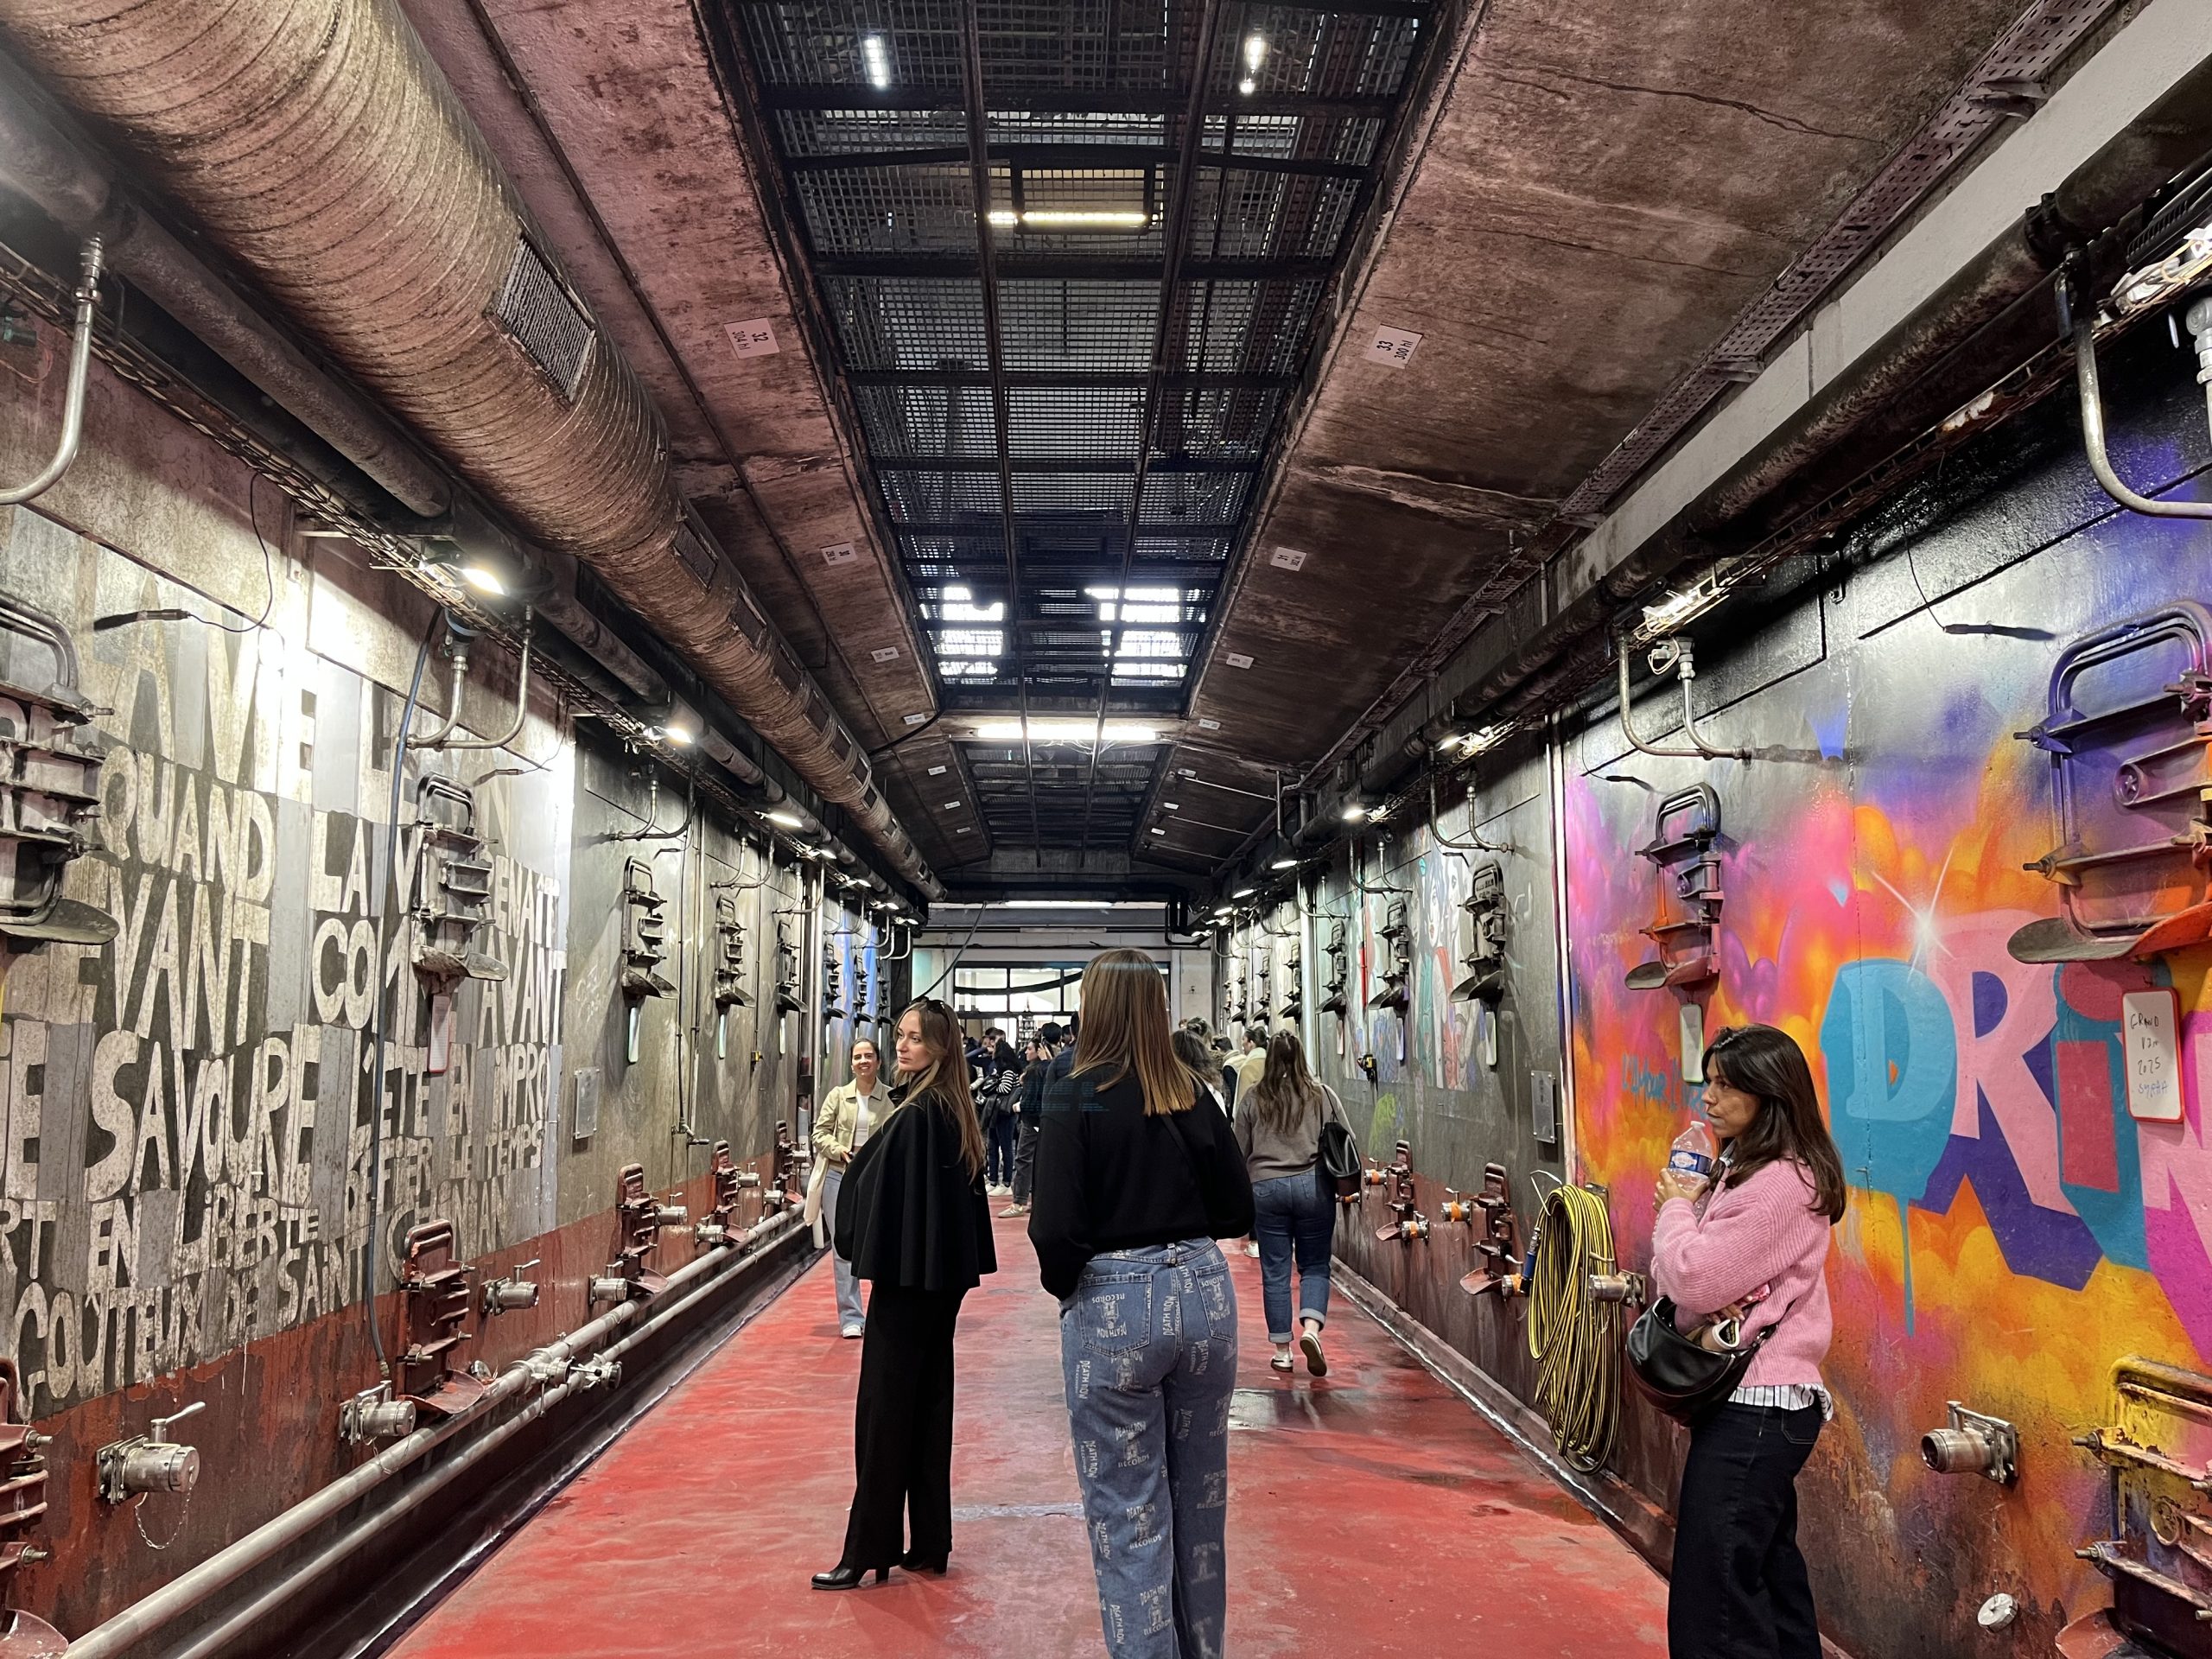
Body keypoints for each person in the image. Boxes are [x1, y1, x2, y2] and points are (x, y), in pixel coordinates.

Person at [1030, 950, 1254, 1659]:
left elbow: (1055, 1224)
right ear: (1156, 1010)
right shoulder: (1189, 1088)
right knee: (1199, 1501)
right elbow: (1236, 1204)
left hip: (1116, 1301)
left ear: (1092, 1009)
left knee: (1128, 1509)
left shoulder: (1074, 1090)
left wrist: (1077, 1287)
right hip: (1204, 1295)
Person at [1650, 1023, 1845, 1659]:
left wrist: (1677, 1208)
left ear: (1770, 1095)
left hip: (1756, 1411)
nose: (1710, 1098)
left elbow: (1693, 1279)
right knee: (1766, 1571)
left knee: (1718, 1597)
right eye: (1710, 1081)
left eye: (1728, 1086)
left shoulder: (1780, 1187)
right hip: (1759, 1409)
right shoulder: (1754, 1171)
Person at [813, 998, 997, 1591]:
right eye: (901, 1036)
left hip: (907, 1285)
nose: (903, 1047)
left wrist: (856, 1236)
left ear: (940, 1048)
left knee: (884, 1415)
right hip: (937, 1285)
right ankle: (929, 1541)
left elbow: (877, 1192)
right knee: (927, 1407)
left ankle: (869, 1548)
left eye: (916, 1039)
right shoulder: (949, 1110)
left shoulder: (918, 1116)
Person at [1235, 1028, 1351, 1377]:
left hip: (1266, 1191)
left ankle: (1283, 1351)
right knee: (1314, 1264)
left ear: (1269, 1060)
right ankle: (1312, 1331)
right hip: (1312, 1188)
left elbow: (1238, 1150)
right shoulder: (1322, 1095)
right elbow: (1346, 1139)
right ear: (1302, 1057)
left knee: (1276, 1270)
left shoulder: (1254, 1099)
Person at [810, 1037, 888, 1338]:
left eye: (869, 1056)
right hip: (839, 1177)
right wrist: (840, 1150)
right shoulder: (839, 1096)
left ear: (879, 1062)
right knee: (843, 1247)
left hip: (876, 1177)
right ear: (851, 1063)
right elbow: (819, 1133)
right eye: (857, 1057)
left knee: (878, 1243)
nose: (863, 1061)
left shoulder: (892, 1097)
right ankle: (851, 1317)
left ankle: (882, 1314)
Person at [1001, 1021, 1065, 1218]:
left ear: (1040, 1049)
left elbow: (1034, 1099)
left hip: (1031, 1120)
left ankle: (1019, 1201)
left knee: (1023, 1159)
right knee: (1038, 1161)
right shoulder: (1055, 1065)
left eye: (1029, 1049)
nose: (1025, 1052)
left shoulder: (1035, 1072)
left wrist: (1019, 1106)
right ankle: (1036, 1200)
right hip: (1047, 1120)